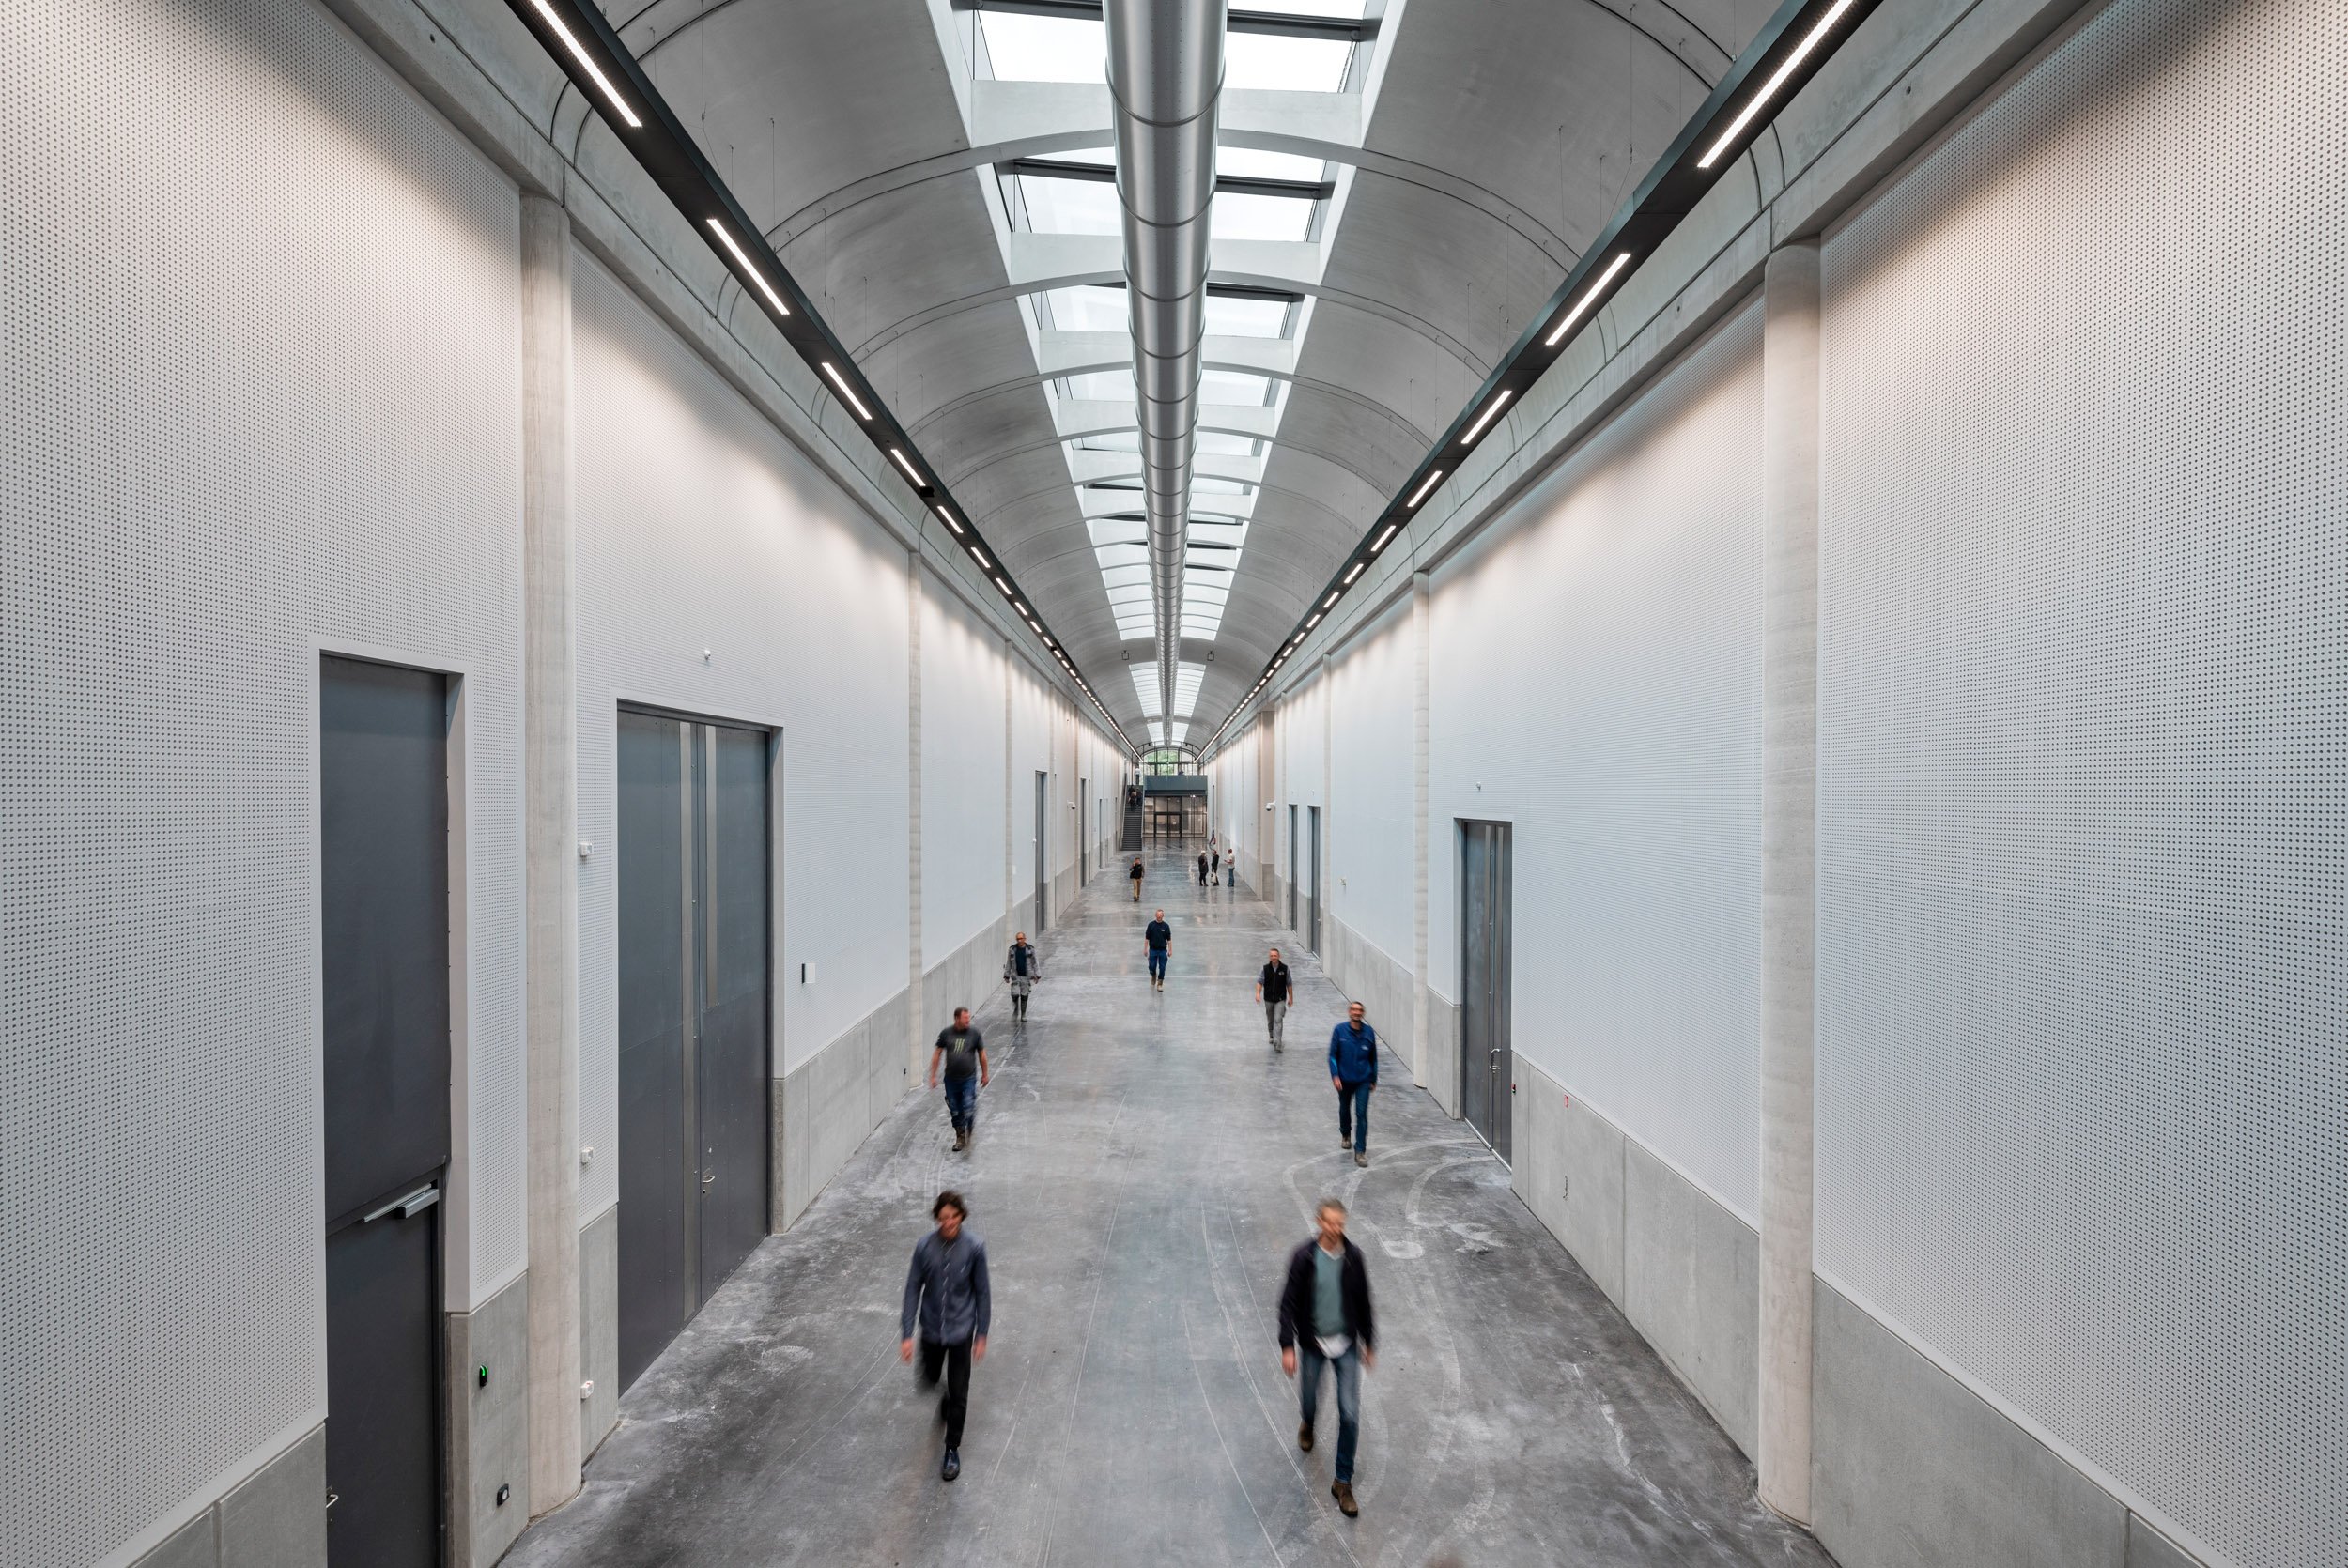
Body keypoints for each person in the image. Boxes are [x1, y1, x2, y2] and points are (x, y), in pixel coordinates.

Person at [1279, 1197, 1376, 1517]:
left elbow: (1363, 1301)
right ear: (1319, 1222)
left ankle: (1342, 1481)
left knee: (1350, 1413)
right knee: (1309, 1399)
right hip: (1313, 1344)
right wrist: (1288, 1346)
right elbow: (1288, 1303)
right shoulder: (1304, 1258)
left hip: (1345, 1343)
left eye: (1340, 1224)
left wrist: (1369, 1341)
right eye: (1330, 1222)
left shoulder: (1354, 1258)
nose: (1335, 1229)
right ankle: (1308, 1421)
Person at [901, 1190, 990, 1483]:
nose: (948, 1223)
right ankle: (946, 1395)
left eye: (953, 1217)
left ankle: (952, 1449)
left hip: (961, 1330)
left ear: (961, 1216)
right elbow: (913, 1288)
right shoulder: (924, 1247)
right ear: (937, 1218)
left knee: (960, 1392)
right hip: (932, 1329)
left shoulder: (975, 1248)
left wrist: (982, 1332)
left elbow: (982, 1292)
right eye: (943, 1218)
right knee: (928, 1378)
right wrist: (907, 1333)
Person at [928, 1007, 990, 1151]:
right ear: (957, 1018)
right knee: (955, 1110)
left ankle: (970, 1124)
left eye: (969, 1017)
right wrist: (933, 1075)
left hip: (969, 1078)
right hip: (951, 1080)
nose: (968, 1020)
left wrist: (985, 1074)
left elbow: (982, 1055)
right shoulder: (946, 1033)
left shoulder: (974, 1033)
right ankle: (960, 1137)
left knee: (968, 1105)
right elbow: (937, 1053)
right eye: (965, 1018)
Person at [1328, 1001, 1377, 1166]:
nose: (1357, 1012)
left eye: (1360, 1010)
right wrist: (1335, 1076)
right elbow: (1332, 1055)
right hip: (1344, 1080)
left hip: (1363, 1080)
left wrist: (1373, 1078)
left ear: (1363, 1013)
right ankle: (1345, 1133)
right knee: (1344, 1109)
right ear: (1349, 1012)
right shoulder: (1339, 1030)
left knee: (1361, 1114)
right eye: (1354, 1010)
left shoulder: (1369, 1032)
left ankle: (1360, 1151)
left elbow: (1373, 1058)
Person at [1257, 945, 1293, 1052]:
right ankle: (1271, 1035)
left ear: (1279, 956)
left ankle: (1278, 1043)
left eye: (1275, 955)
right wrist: (1257, 994)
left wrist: (1291, 998)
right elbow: (1260, 982)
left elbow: (1289, 984)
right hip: (1268, 999)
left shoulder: (1285, 969)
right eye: (1272, 956)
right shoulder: (1265, 969)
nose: (1273, 957)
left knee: (1278, 1019)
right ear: (1269, 957)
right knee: (1270, 1019)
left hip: (1280, 999)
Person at [1003, 931, 1041, 1025]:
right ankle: (1016, 1009)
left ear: (1024, 939)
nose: (1019, 940)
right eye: (1017, 939)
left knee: (1024, 995)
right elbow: (1008, 963)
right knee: (1014, 994)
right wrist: (1006, 975)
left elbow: (1035, 962)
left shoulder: (1030, 949)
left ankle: (1023, 1014)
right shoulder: (1012, 949)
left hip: (1026, 976)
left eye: (1021, 939)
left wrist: (1037, 974)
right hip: (1015, 976)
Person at [1144, 908, 1172, 990]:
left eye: (1160, 915)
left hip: (1162, 950)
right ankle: (1153, 974)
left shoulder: (1166, 926)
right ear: (1155, 915)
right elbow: (1147, 939)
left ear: (1163, 916)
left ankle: (1160, 983)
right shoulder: (1151, 925)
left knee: (1162, 968)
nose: (1159, 916)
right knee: (1152, 966)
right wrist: (1145, 949)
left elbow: (1169, 940)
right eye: (1158, 915)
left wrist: (1170, 950)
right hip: (1153, 950)